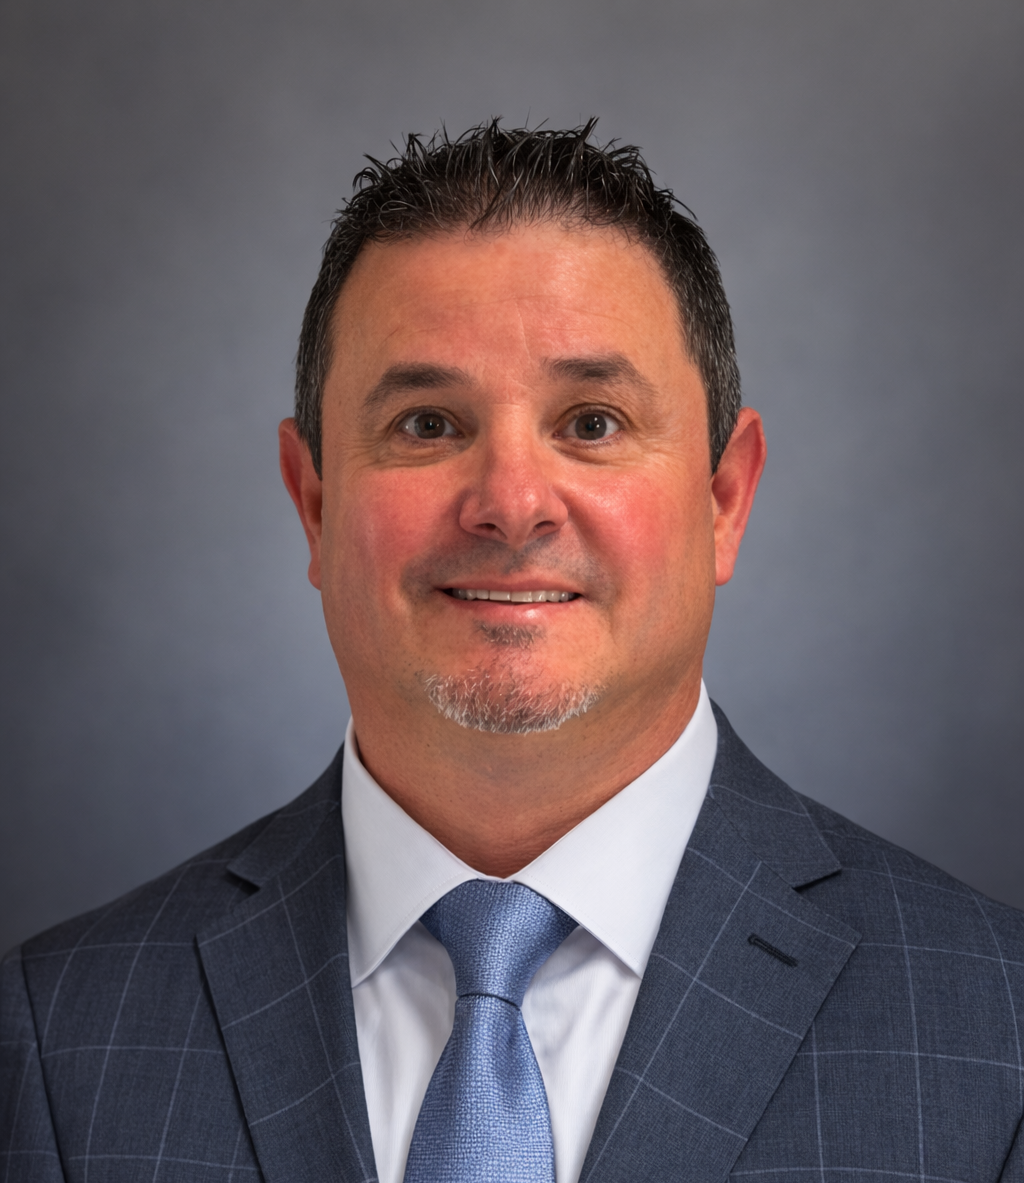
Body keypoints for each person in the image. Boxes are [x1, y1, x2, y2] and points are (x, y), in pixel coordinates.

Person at [2, 121, 1021, 1183]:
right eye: (428, 424)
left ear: (724, 498)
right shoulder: (54, 1041)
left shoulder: (998, 1034)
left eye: (592, 422)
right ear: (314, 503)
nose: (511, 502)